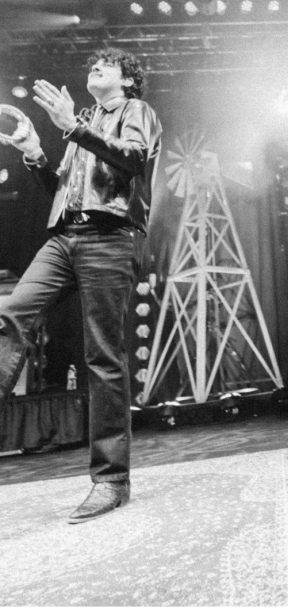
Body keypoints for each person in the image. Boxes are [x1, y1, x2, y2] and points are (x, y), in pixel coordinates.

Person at [0, 47, 162, 523]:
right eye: (93, 64)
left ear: (128, 81)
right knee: (13, 311)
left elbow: (131, 160)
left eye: (107, 65)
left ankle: (111, 480)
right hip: (65, 238)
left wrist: (73, 127)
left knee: (103, 356)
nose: (95, 67)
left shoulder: (137, 112)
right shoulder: (85, 120)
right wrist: (34, 153)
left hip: (110, 238)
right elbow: (64, 190)